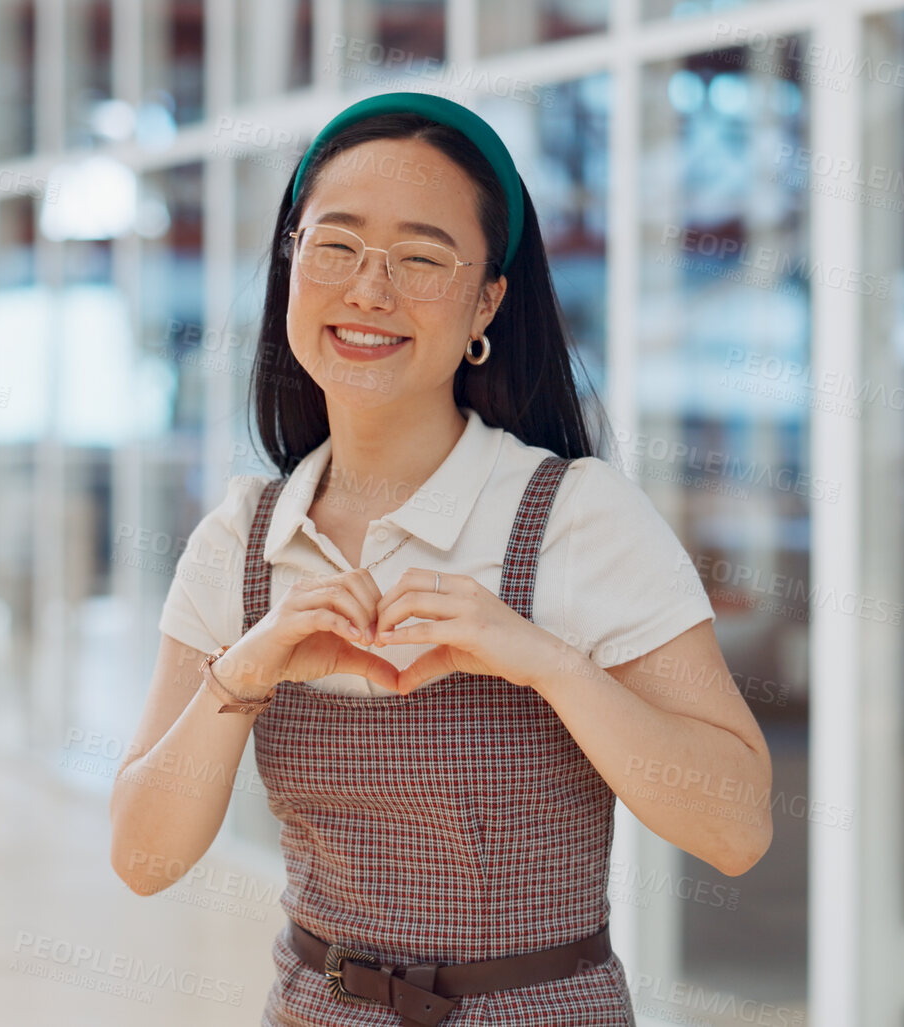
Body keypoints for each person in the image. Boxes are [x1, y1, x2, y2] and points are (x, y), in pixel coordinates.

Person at [110, 92, 773, 1026]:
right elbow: (143, 860)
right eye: (335, 246)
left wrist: (546, 662)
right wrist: (244, 670)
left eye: (421, 258)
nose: (368, 291)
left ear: (486, 300)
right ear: (291, 262)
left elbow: (736, 828)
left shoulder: (574, 517)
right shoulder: (241, 539)